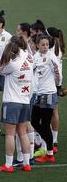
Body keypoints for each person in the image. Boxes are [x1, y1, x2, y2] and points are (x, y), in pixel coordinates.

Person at [0, 40, 33, 173]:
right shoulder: (28, 61)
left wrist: (0, 62)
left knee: (10, 135)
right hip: (24, 101)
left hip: (12, 102)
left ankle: (8, 164)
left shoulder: (12, 64)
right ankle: (27, 163)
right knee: (23, 133)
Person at [31, 35, 60, 163]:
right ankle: (50, 145)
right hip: (38, 93)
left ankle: (49, 152)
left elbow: (58, 73)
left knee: (45, 123)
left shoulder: (51, 57)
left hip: (48, 94)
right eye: (43, 44)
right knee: (34, 121)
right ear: (38, 45)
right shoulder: (36, 56)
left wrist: (57, 86)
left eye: (47, 44)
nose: (45, 47)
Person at [46, 27, 65, 154]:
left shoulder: (50, 50)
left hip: (49, 84)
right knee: (54, 112)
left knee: (45, 113)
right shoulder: (59, 48)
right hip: (56, 84)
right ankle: (55, 139)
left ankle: (47, 141)